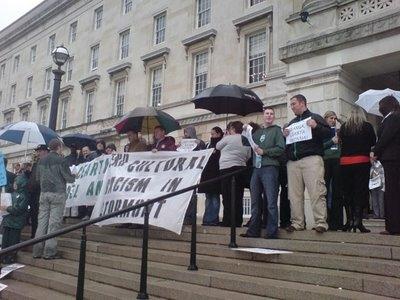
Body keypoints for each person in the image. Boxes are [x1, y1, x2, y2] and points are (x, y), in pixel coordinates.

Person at [284, 94, 331, 233]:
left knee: (316, 191)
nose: (291, 106)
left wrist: (316, 126)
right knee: (294, 195)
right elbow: (286, 145)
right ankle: (297, 222)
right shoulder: (291, 123)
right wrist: (284, 135)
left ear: (302, 103)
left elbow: (328, 133)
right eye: (291, 104)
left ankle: (321, 222)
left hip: (311, 159)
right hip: (293, 162)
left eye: (293, 104)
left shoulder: (315, 117)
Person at [241, 107, 285, 239]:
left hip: (270, 168)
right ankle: (253, 230)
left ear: (274, 117)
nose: (269, 116)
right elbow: (245, 142)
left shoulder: (277, 130)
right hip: (256, 169)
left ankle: (272, 232)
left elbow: (280, 148)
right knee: (255, 201)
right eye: (267, 113)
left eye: (271, 114)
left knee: (271, 201)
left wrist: (264, 152)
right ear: (263, 116)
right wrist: (244, 131)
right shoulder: (258, 132)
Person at [32, 139, 75, 259]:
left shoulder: (41, 161)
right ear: (59, 147)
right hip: (58, 193)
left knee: (42, 223)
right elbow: (69, 178)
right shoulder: (62, 160)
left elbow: (38, 178)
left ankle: (37, 251)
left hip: (44, 193)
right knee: (54, 224)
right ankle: (49, 252)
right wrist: (74, 176)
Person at [339, 107, 376, 233]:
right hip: (361, 161)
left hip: (345, 162)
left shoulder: (343, 127)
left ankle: (349, 221)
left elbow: (341, 143)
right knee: (360, 191)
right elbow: (373, 141)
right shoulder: (367, 126)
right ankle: (358, 221)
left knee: (347, 192)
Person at [370, 96, 400, 235]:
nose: (379, 107)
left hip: (393, 159)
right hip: (390, 159)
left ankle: (394, 227)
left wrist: (375, 151)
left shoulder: (392, 118)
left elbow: (386, 137)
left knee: (392, 193)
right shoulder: (390, 118)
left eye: (381, 104)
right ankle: (392, 226)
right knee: (391, 193)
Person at [216, 121, 251, 227]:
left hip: (227, 168)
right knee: (238, 195)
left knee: (227, 196)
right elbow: (249, 155)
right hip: (240, 168)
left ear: (232, 128)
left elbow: (217, 146)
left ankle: (227, 220)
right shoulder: (246, 139)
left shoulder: (228, 138)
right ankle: (237, 220)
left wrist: (225, 136)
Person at [0, 175, 29, 264]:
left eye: (17, 183)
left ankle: (10, 257)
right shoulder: (12, 194)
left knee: (13, 241)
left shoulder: (24, 196)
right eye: (15, 183)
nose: (15, 185)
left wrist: (7, 208)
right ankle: (3, 256)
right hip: (8, 221)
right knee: (5, 241)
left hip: (16, 223)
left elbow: (19, 209)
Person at [323, 111, 343, 231]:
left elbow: (348, 127)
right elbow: (319, 146)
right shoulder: (323, 131)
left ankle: (338, 222)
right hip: (326, 160)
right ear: (325, 119)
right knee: (325, 191)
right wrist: (332, 141)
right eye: (331, 118)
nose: (333, 120)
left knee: (337, 191)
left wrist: (340, 121)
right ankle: (327, 220)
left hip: (337, 160)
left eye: (335, 118)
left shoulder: (339, 131)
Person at [199, 127, 224, 226]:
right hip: (207, 174)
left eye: (213, 134)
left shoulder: (221, 143)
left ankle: (213, 219)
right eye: (211, 134)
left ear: (218, 134)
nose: (212, 136)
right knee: (208, 197)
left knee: (214, 197)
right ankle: (207, 219)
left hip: (216, 173)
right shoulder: (208, 144)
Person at [27, 145, 49, 238]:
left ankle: (40, 236)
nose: (38, 153)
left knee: (41, 217)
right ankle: (33, 235)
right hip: (33, 195)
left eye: (40, 151)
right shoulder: (36, 163)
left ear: (45, 151)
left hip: (41, 193)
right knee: (34, 216)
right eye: (37, 151)